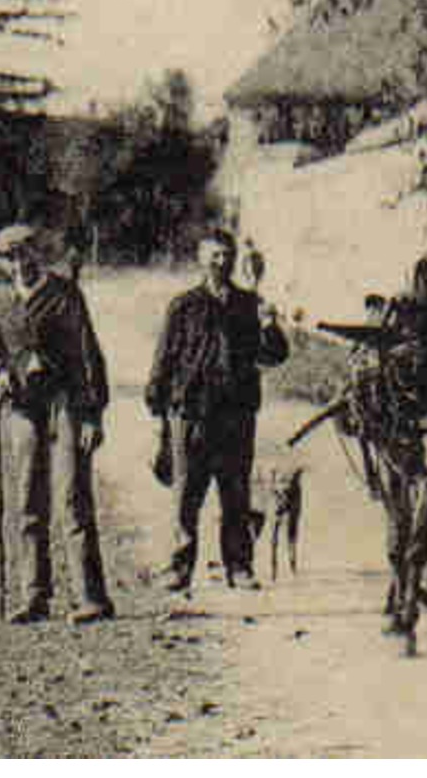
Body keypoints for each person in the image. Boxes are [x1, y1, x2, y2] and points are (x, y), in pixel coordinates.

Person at [146, 228, 289, 593]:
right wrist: (160, 409)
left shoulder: (249, 305)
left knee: (235, 493)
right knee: (186, 494)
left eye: (226, 255)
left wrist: (270, 325)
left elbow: (274, 356)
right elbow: (164, 359)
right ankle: (179, 567)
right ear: (200, 259)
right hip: (191, 413)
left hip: (236, 415)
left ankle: (239, 567)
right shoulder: (183, 306)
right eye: (214, 255)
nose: (221, 262)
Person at [0, 223, 114, 625]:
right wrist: (1, 373)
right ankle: (34, 596)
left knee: (72, 498)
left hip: (66, 404)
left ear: (37, 254)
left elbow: (89, 356)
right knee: (28, 502)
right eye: (10, 258)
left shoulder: (64, 295)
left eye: (25, 254)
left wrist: (92, 413)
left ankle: (91, 597)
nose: (19, 264)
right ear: (2, 263)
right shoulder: (0, 302)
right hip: (24, 408)